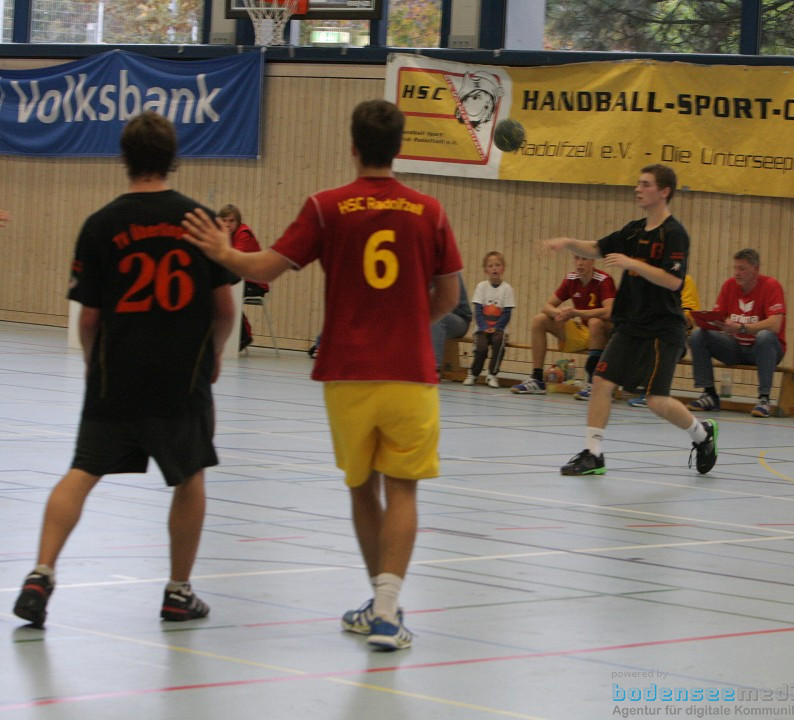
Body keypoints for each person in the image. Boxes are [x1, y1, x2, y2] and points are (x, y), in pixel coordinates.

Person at [181, 99, 463, 649]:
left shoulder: (326, 206)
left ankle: (380, 605)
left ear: (353, 147)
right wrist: (406, 322)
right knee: (404, 489)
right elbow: (448, 294)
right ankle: (386, 611)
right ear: (398, 148)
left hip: (348, 370)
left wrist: (222, 250)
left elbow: (265, 268)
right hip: (409, 370)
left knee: (362, 488)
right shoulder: (429, 211)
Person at [12, 112, 235, 629]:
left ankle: (41, 573)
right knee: (190, 477)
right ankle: (178, 592)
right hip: (181, 380)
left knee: (82, 471)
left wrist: (95, 365)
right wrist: (216, 354)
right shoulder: (199, 220)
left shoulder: (101, 224)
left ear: (124, 158)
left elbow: (89, 317)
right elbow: (225, 311)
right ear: (173, 157)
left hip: (118, 378)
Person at [538, 164, 718, 476]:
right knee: (601, 382)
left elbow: (673, 282)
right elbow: (596, 248)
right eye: (638, 183)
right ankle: (593, 454)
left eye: (645, 184)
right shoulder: (633, 231)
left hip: (663, 328)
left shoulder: (674, 234)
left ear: (663, 192)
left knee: (656, 400)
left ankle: (702, 435)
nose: (638, 189)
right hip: (630, 325)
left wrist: (633, 262)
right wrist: (566, 242)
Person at [688, 249, 786, 418]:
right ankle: (709, 394)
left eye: (742, 269)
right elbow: (719, 316)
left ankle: (764, 399)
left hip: (762, 349)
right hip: (735, 347)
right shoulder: (729, 286)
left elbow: (775, 325)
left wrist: (742, 328)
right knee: (698, 336)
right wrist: (708, 321)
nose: (737, 273)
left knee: (765, 336)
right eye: (735, 268)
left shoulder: (771, 286)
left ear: (755, 269)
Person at [511, 254, 615, 400]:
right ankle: (537, 379)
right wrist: (561, 313)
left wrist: (576, 313)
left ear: (592, 261)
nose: (580, 263)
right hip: (585, 333)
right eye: (577, 258)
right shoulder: (571, 279)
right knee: (539, 320)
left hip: (606, 336)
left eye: (584, 258)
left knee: (595, 322)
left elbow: (610, 311)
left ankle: (594, 383)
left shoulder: (604, 280)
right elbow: (546, 306)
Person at [628, 273, 699, 408]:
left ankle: (652, 393)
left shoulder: (684, 280)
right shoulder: (647, 278)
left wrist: (668, 313)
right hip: (648, 331)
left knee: (659, 344)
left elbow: (690, 318)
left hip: (675, 336)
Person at [218, 204, 269, 351]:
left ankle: (244, 335)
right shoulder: (222, 234)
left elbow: (233, 260)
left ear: (238, 221)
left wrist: (224, 239)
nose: (228, 225)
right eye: (225, 221)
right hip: (239, 279)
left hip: (255, 283)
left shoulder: (243, 234)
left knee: (225, 294)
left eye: (231, 221)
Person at [465, 251, 514, 388]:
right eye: (490, 266)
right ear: (486, 270)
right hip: (482, 328)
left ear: (502, 268)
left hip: (499, 329)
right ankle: (473, 374)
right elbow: (478, 310)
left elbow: (507, 313)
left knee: (499, 342)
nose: (494, 268)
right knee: (481, 348)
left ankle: (492, 375)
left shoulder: (507, 289)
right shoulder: (481, 287)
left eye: (497, 265)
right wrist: (483, 327)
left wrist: (497, 327)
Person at [431, 274, 471, 378]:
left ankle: (435, 369)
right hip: (438, 315)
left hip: (459, 320)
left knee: (437, 315)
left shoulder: (447, 273)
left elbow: (446, 302)